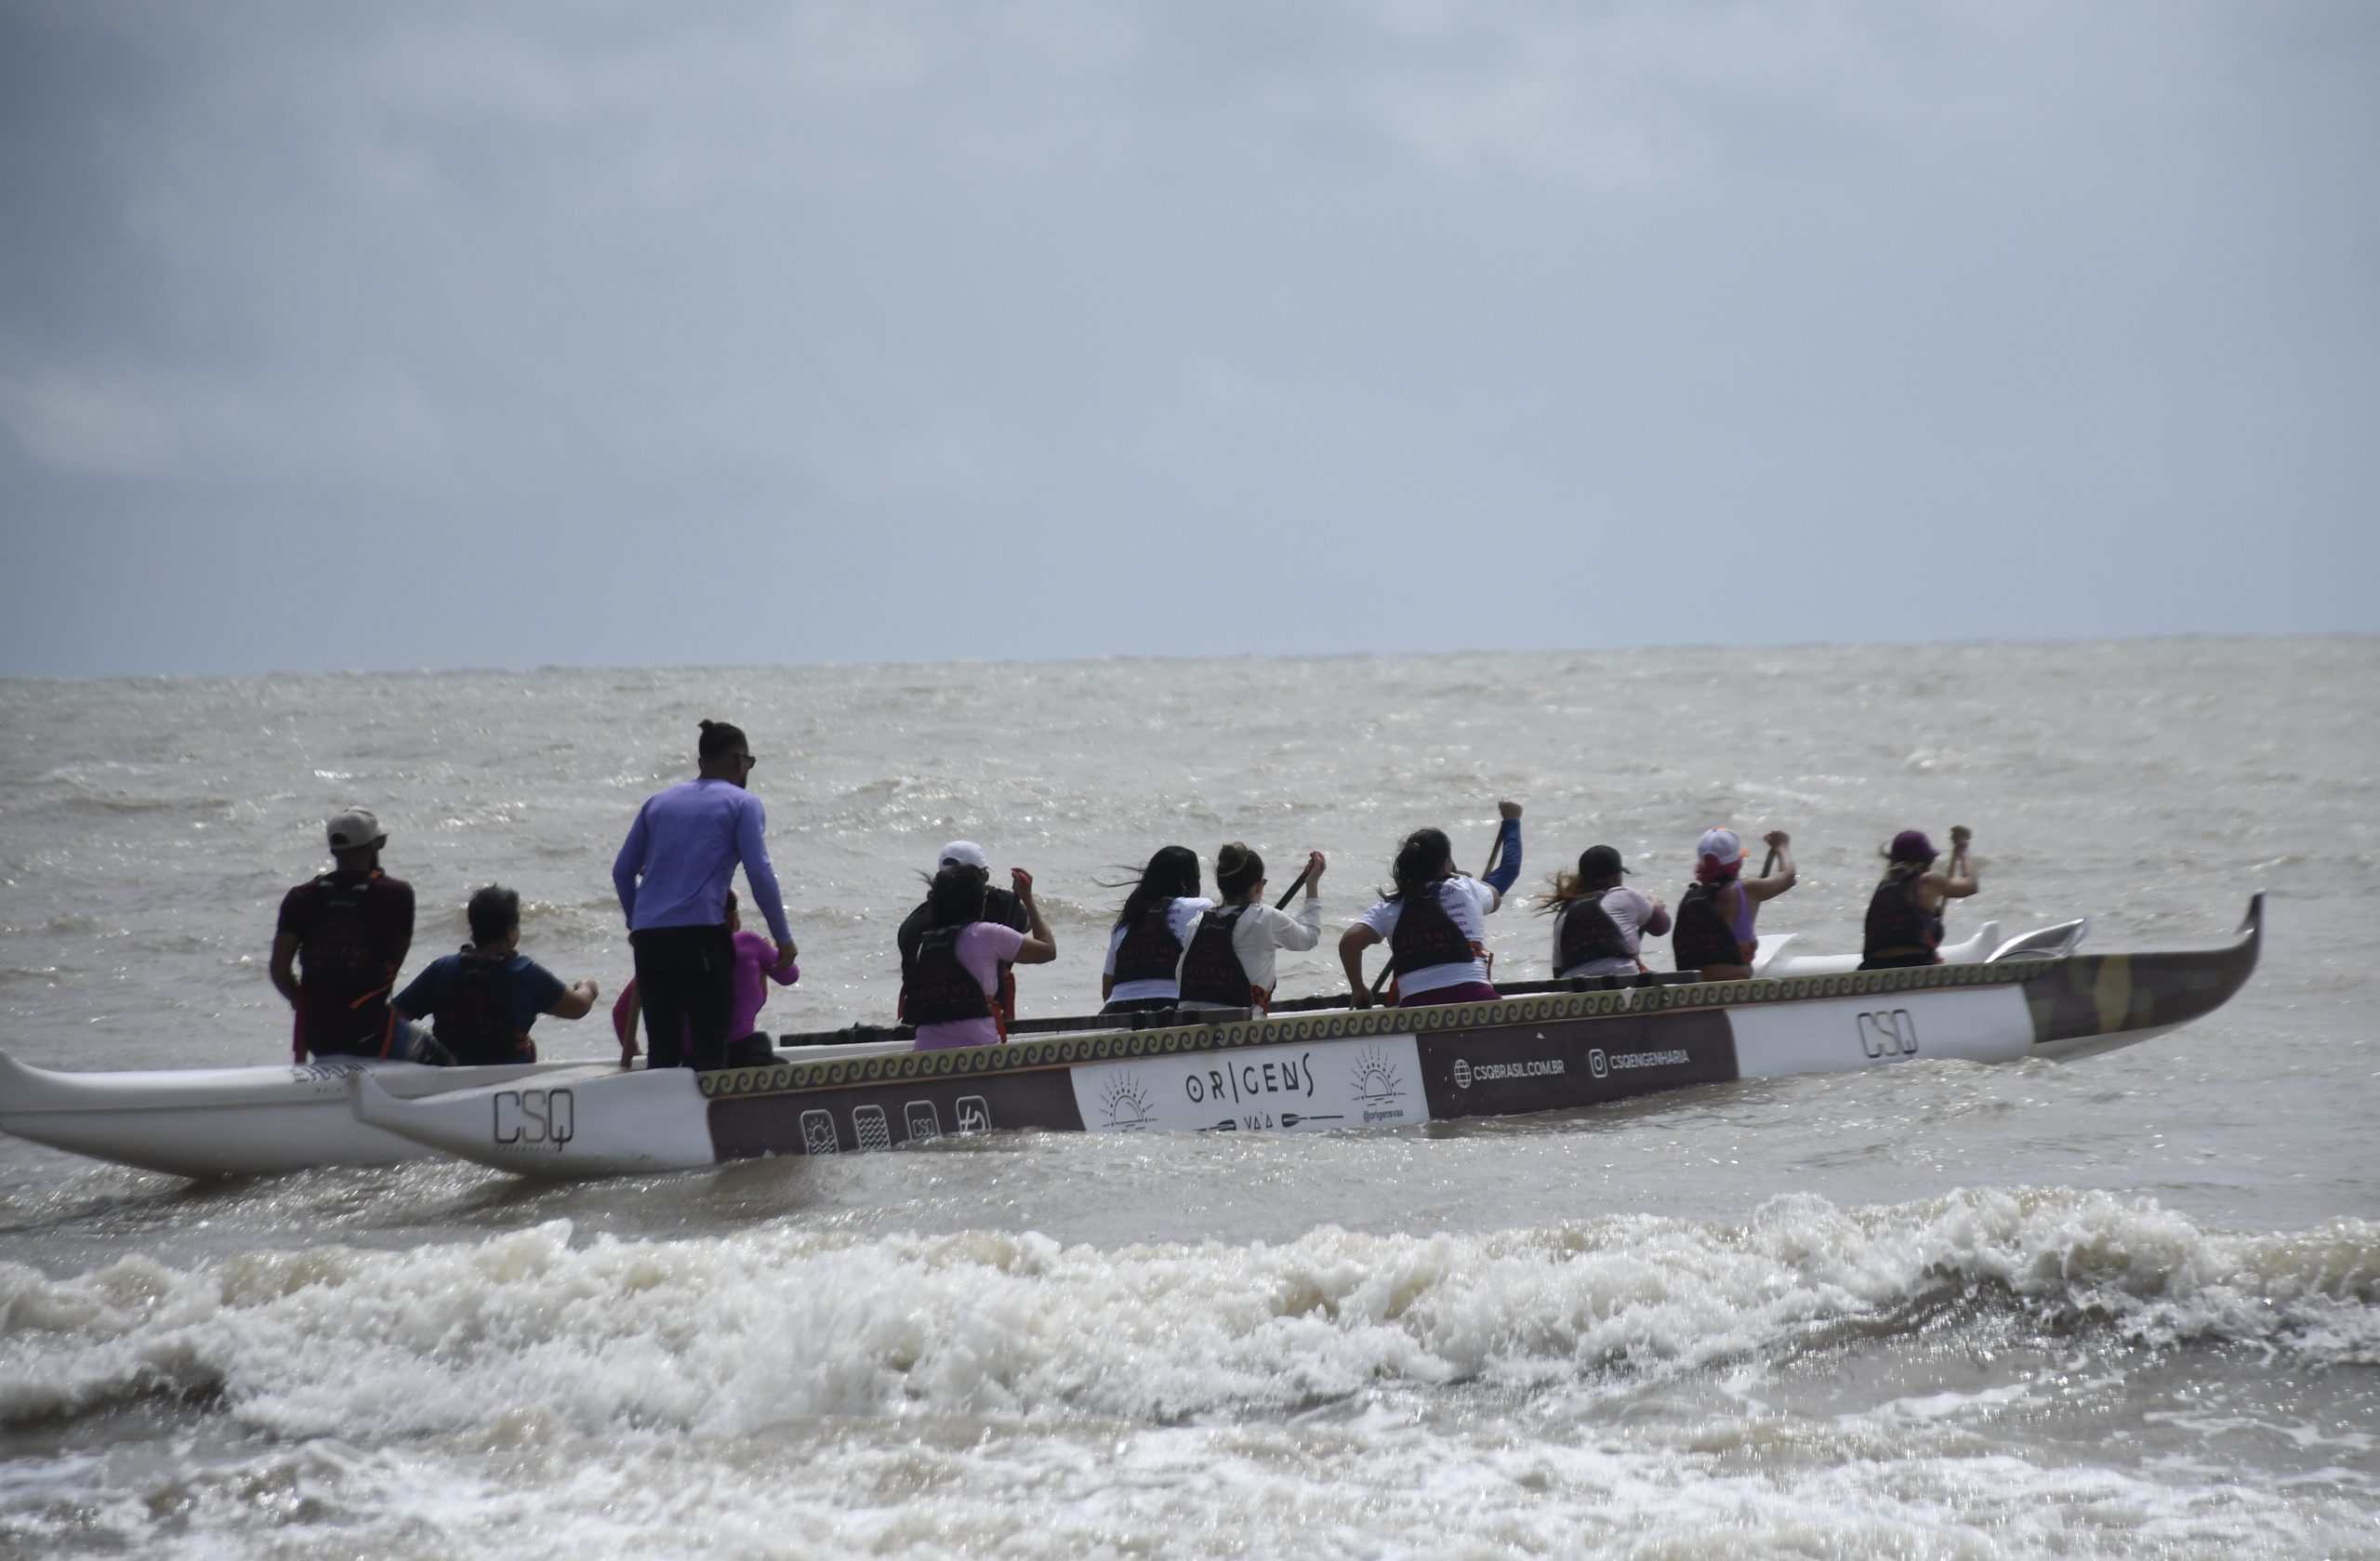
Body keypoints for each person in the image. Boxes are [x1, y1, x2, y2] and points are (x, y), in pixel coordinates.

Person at [611, 720, 796, 1071]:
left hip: (650, 940)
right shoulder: (743, 803)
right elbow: (759, 873)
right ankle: (716, 1106)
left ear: (701, 762)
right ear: (740, 761)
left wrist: (637, 923)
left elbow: (622, 872)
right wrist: (783, 939)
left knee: (663, 1051)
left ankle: (663, 1103)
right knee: (712, 1048)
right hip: (701, 937)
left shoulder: (657, 803)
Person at [271, 807, 439, 1063]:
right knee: (446, 1061)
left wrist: (303, 1005)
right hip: (373, 1033)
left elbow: (279, 970)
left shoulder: (300, 897)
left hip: (316, 1035)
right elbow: (393, 964)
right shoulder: (397, 894)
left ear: (333, 851)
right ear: (373, 846)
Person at [1338, 801, 1525, 1009]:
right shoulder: (1466, 887)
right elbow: (1509, 870)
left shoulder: (1390, 904)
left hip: (1416, 1006)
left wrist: (1358, 987)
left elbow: (1349, 943)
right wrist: (1512, 821)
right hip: (1476, 998)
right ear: (1446, 864)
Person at [391, 885, 599, 1065]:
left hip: (450, 1075)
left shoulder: (442, 969)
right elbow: (578, 1008)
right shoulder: (523, 973)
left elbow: (392, 1016)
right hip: (508, 1078)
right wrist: (588, 987)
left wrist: (427, 1050)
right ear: (510, 931)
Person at [613, 890, 798, 1067]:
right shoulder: (750, 943)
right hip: (743, 1053)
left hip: (692, 1060)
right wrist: (771, 952)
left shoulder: (665, 955)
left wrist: (636, 1054)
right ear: (732, 919)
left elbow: (621, 1012)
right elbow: (790, 975)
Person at [907, 862, 1057, 1051]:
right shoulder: (988, 934)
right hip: (979, 1049)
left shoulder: (926, 944)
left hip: (926, 1050)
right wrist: (1027, 898)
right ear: (981, 904)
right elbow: (1048, 950)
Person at [1176, 844, 1327, 1014]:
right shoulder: (1266, 917)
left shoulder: (1197, 922)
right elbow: (1310, 937)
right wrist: (1312, 883)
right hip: (1242, 1022)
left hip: (1189, 1020)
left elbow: (1180, 979)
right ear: (1258, 886)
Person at [897, 841, 1030, 1025]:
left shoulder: (910, 924)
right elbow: (1030, 930)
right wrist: (1027, 897)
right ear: (984, 876)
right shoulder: (1001, 907)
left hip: (922, 1024)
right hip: (983, 1025)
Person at [1670, 827, 1795, 981]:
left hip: (1692, 989)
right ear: (1738, 862)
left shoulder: (1689, 900)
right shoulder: (1747, 889)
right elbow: (1788, 877)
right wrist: (1781, 845)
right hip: (1732, 986)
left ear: (1701, 866)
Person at [1537, 844, 1671, 980]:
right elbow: (1661, 927)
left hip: (1575, 985)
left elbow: (1557, 973)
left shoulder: (1564, 914)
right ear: (1615, 877)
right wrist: (1655, 906)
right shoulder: (1625, 895)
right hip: (1621, 976)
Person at [1100, 845, 1206, 1013]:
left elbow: (1107, 989)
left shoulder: (1125, 923)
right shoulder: (1198, 907)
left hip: (1118, 1009)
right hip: (1171, 1005)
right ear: (1186, 882)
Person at [1859, 826, 1980, 970]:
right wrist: (1962, 846)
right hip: (1913, 964)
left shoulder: (1883, 886)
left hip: (1871, 967)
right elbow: (1971, 885)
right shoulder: (1927, 880)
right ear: (1925, 861)